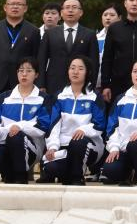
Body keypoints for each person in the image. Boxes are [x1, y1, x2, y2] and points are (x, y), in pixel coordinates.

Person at [0, 58, 47, 184]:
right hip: (4, 143)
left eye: (28, 71)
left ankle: (21, 175)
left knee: (16, 137)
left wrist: (19, 127)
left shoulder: (43, 99)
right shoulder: (4, 97)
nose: (24, 74)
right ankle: (8, 172)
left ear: (36, 74)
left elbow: (42, 127)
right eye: (21, 71)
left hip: (30, 147)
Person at [39, 57, 106, 186]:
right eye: (72, 68)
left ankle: (77, 177)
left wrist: (83, 130)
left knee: (78, 143)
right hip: (64, 145)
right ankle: (69, 172)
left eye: (80, 69)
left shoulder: (94, 96)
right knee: (50, 168)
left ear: (87, 72)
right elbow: (54, 125)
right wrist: (53, 147)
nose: (75, 72)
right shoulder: (59, 96)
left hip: (89, 144)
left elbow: (100, 124)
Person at [0, 0, 42, 99]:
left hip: (21, 82)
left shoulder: (33, 31)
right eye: (12, 4)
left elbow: (36, 59)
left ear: (25, 8)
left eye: (19, 4)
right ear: (5, 7)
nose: (15, 7)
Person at [37, 0, 99, 95]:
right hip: (53, 83)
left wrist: (92, 84)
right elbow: (41, 60)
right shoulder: (50, 33)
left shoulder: (89, 34)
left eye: (74, 7)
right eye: (67, 7)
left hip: (80, 85)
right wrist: (41, 84)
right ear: (61, 12)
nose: (70, 10)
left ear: (81, 12)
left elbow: (94, 62)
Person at [95, 3, 120, 91]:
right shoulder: (96, 38)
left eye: (112, 15)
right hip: (97, 85)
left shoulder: (124, 38)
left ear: (119, 18)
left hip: (118, 84)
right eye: (105, 15)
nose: (108, 18)